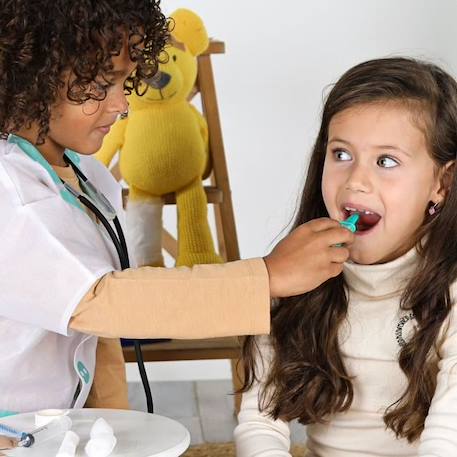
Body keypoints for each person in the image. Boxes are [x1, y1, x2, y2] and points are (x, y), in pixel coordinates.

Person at [0, 0, 353, 416]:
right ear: (32, 77)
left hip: (50, 427)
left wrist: (116, 429)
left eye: (125, 83)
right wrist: (266, 276)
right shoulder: (11, 193)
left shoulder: (88, 177)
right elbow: (102, 303)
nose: (121, 105)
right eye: (101, 84)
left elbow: (100, 341)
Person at [235, 57, 457, 456]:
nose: (356, 180)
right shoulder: (289, 278)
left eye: (386, 161)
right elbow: (260, 422)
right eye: (340, 154)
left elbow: (447, 439)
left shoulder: (451, 294)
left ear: (442, 182)